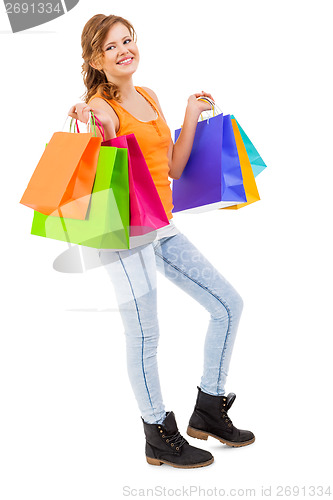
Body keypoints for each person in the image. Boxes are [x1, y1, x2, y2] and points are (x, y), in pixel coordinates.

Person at [68, 13, 255, 469]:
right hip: (124, 233)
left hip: (162, 226)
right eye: (110, 47)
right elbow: (106, 170)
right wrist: (101, 128)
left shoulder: (148, 95)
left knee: (228, 304)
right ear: (95, 58)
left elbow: (171, 168)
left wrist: (190, 114)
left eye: (127, 40)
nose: (123, 50)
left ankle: (209, 409)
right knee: (146, 334)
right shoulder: (102, 106)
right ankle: (157, 433)